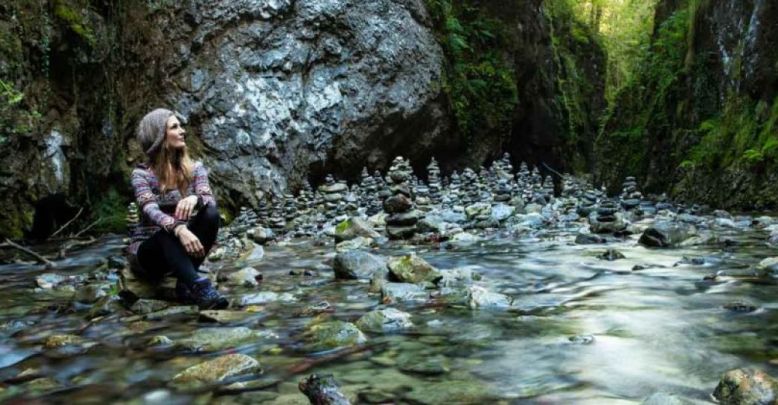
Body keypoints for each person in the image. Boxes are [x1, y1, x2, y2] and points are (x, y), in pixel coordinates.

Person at [126, 108, 228, 309]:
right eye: (174, 127)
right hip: (150, 252)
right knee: (166, 234)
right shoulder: (141, 175)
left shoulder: (195, 168)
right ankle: (200, 287)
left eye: (180, 126)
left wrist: (194, 198)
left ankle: (186, 281)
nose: (183, 131)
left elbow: (209, 199)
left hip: (181, 248)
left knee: (211, 213)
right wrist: (179, 228)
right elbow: (149, 210)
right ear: (159, 137)